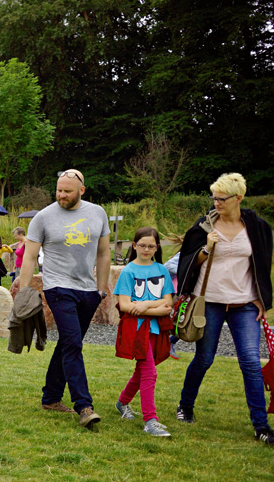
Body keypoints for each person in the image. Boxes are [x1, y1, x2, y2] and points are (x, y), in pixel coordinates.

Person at [174, 173, 274, 445]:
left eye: (221, 198)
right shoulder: (204, 227)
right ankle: (185, 406)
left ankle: (261, 426)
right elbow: (187, 265)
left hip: (244, 304)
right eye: (214, 197)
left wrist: (262, 299)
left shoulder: (258, 227)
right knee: (205, 358)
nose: (216, 202)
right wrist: (206, 249)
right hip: (209, 303)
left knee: (251, 363)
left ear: (238, 198)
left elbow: (264, 265)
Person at [14, 169, 111, 429]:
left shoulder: (98, 213)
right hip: (58, 288)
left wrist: (101, 290)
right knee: (72, 343)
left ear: (82, 190)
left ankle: (51, 397)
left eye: (67, 191)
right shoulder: (43, 217)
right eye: (58, 190)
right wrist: (24, 292)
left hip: (88, 290)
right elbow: (30, 257)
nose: (61, 195)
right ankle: (84, 406)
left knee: (70, 343)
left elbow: (103, 253)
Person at [113, 227, 174, 437]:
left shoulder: (162, 270)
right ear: (134, 245)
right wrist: (154, 308)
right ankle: (150, 420)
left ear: (157, 247)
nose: (146, 249)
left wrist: (145, 304)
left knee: (143, 370)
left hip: (157, 329)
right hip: (136, 330)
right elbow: (124, 305)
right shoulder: (128, 271)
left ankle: (122, 403)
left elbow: (168, 304)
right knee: (149, 372)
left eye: (151, 246)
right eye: (142, 245)